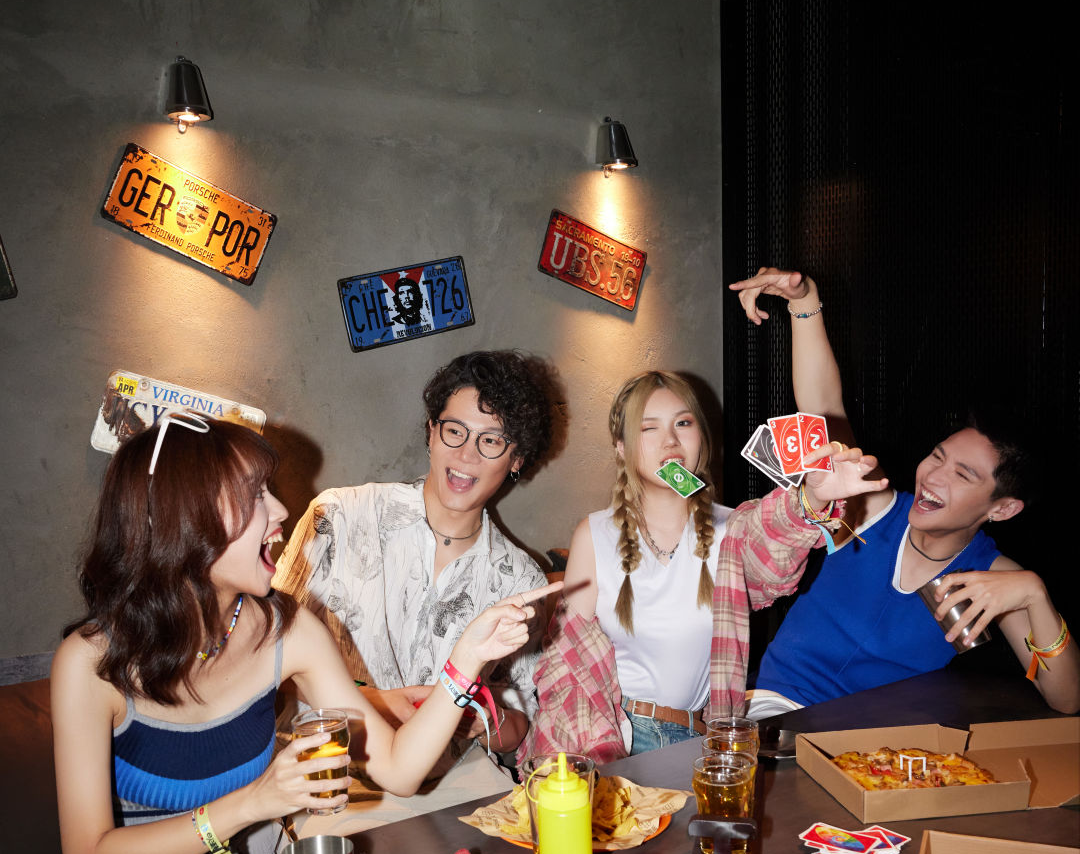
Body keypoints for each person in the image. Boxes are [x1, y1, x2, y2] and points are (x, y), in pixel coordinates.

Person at [50, 413, 554, 854]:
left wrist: (466, 659)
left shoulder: (288, 631)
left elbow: (400, 770)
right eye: (254, 495)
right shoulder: (89, 665)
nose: (280, 511)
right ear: (184, 521)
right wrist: (251, 803)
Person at [729, 267, 1079, 714]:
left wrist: (1034, 592)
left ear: (1003, 509)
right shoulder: (872, 508)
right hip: (779, 710)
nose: (933, 476)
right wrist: (803, 300)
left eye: (963, 475)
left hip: (877, 742)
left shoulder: (992, 576)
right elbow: (824, 411)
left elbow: (1065, 699)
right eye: (937, 456)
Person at [274, 350, 556, 805]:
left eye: (491, 441)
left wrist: (478, 717)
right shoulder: (339, 517)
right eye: (454, 431)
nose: (466, 454)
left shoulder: (520, 579)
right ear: (431, 432)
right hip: (335, 778)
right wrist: (377, 701)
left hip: (461, 785)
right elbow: (263, 663)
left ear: (516, 459)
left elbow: (522, 719)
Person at [555, 370, 888, 753]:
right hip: (621, 735)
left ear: (702, 437)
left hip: (708, 739)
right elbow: (568, 665)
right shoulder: (594, 534)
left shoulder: (733, 528)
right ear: (620, 446)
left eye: (683, 423)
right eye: (649, 428)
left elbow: (772, 551)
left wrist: (810, 499)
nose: (670, 440)